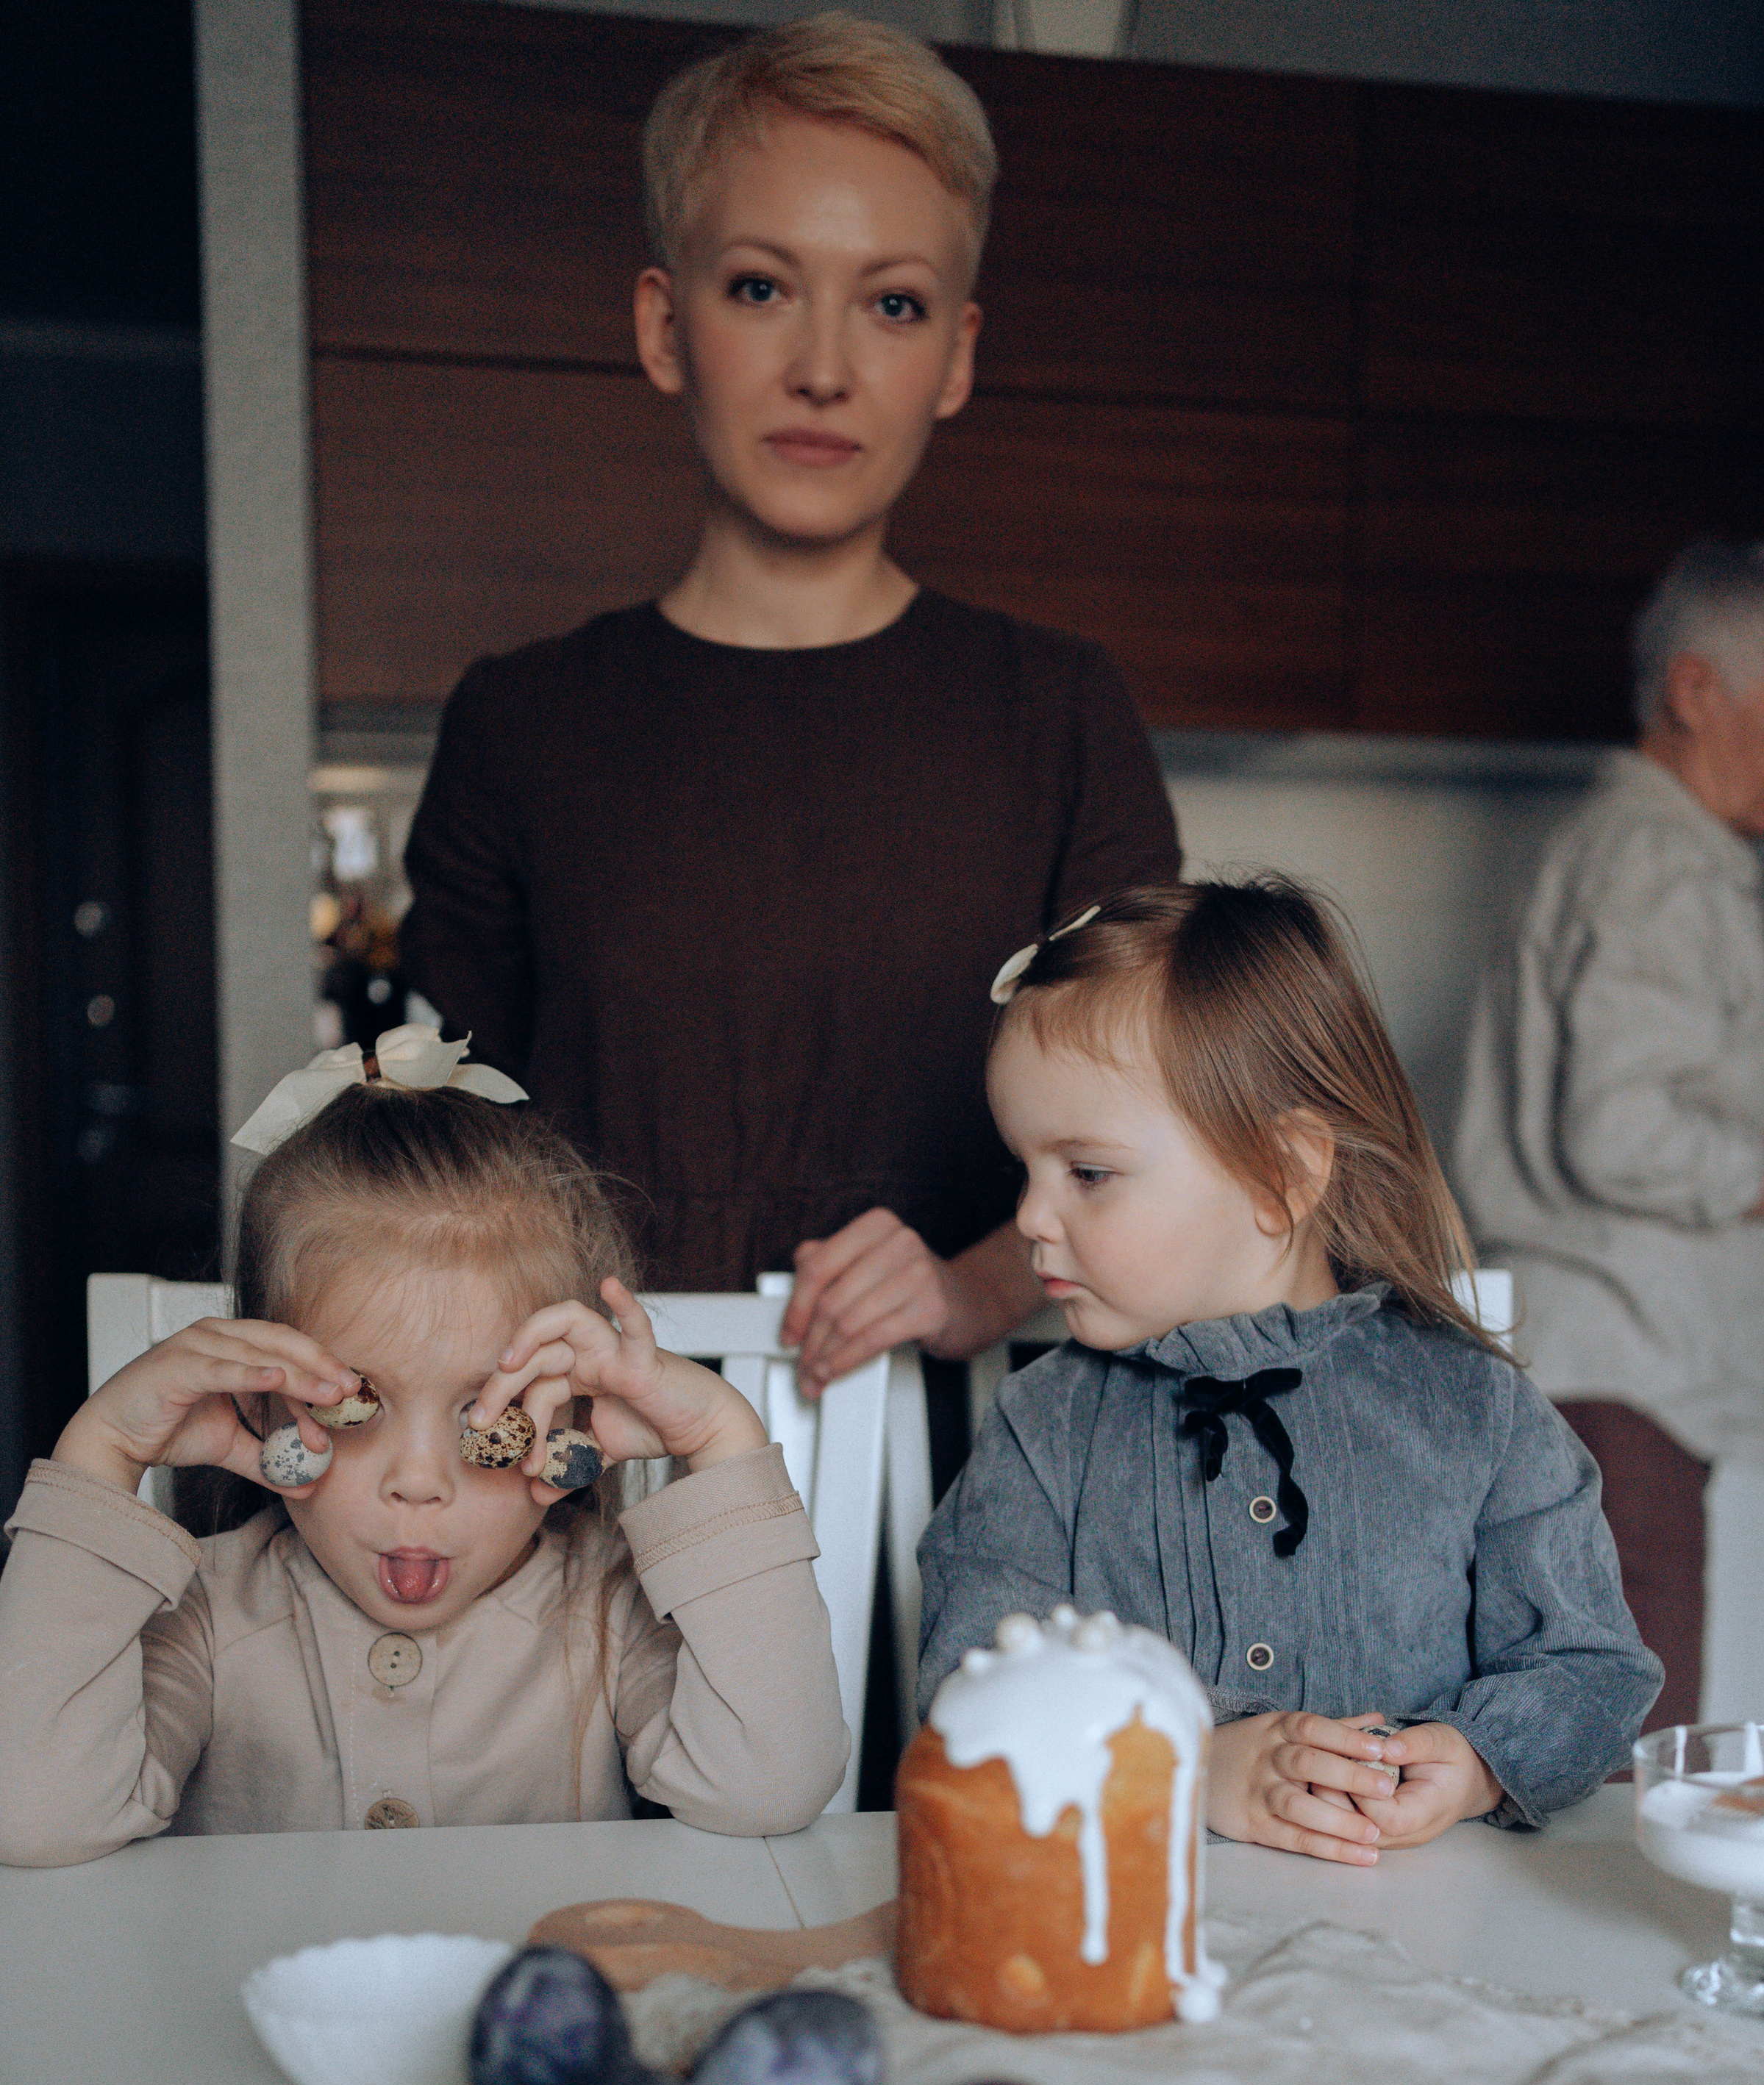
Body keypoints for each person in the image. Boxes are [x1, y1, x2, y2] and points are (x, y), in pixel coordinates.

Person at [399, 12, 1179, 1405]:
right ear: (662, 323)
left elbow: (1153, 1126)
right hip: (594, 1474)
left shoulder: (1060, 714)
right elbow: (462, 1167)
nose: (825, 366)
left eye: (893, 303)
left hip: (971, 1475)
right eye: (763, 287)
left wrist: (966, 1289)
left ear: (955, 355)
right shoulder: (518, 725)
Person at [917, 883, 1661, 1862]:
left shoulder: (1473, 1407)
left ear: (1282, 1177)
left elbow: (1591, 1666)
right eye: (1027, 1169)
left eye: (1086, 1174)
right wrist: (1184, 1763)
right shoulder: (1042, 1428)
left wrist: (1480, 1759)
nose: (1029, 1218)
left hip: (1422, 1939)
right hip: (1141, 1927)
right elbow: (968, 1692)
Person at [0, 1034, 848, 1862]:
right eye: (356, 1408)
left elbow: (768, 1788)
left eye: (488, 1422)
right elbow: (32, 1816)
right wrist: (101, 1455)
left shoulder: (608, 1616)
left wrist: (718, 1438)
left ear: (570, 1419)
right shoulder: (208, 1615)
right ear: (264, 1399)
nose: (417, 1483)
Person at [1454, 538, 1764, 1730]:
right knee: (1631, 1756)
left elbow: (1626, 1112)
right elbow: (1623, 1135)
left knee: (1577, 1738)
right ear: (1697, 691)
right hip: (1620, 1390)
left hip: (1587, 1376)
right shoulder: (1662, 861)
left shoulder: (1620, 845)